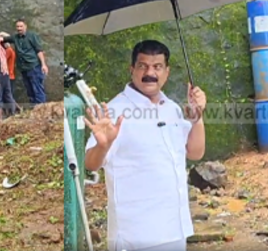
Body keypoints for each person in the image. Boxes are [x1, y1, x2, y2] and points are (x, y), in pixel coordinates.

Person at [83, 40, 207, 251]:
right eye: (143, 66)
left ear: (167, 72)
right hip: (135, 235)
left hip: (175, 228)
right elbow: (91, 164)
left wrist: (197, 117)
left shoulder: (172, 109)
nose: (150, 73)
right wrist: (103, 144)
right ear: (132, 69)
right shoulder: (114, 111)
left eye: (157, 66)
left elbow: (195, 153)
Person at [0, 20, 48, 106]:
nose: (19, 28)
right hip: (23, 68)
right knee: (29, 89)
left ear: (25, 26)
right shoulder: (15, 37)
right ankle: (34, 108)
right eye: (17, 27)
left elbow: (39, 50)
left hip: (33, 66)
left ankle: (41, 108)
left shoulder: (32, 36)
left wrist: (43, 64)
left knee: (37, 88)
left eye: (21, 26)